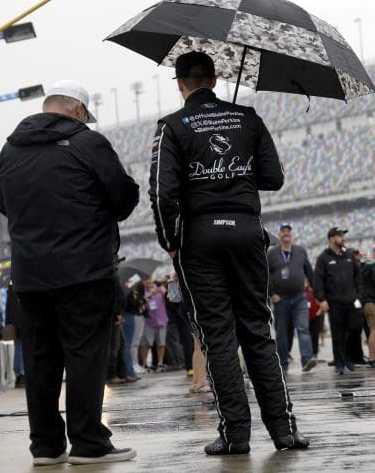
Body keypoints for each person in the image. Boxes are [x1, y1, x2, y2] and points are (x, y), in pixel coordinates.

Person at [149, 51, 306, 455]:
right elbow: (273, 177)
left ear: (180, 83)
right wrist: (239, 168)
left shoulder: (172, 126)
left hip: (200, 238)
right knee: (257, 331)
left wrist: (170, 242)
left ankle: (235, 435)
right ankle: (285, 432)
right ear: (215, 79)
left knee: (218, 336)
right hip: (246, 231)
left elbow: (163, 193)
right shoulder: (248, 118)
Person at [0, 80, 139, 465]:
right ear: (78, 110)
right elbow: (123, 198)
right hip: (84, 271)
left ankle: (45, 446)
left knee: (40, 360)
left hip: (30, 275)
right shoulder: (88, 142)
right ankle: (89, 443)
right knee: (85, 356)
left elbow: (3, 203)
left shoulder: (10, 149)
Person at [267, 223, 317, 373]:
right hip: (280, 299)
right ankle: (283, 364)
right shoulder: (272, 253)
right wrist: (271, 294)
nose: (286, 233)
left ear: (291, 233)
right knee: (282, 333)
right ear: (279, 234)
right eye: (283, 231)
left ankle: (307, 359)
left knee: (303, 328)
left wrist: (317, 293)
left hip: (299, 297)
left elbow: (309, 272)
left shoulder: (300, 251)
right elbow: (265, 274)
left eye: (288, 231)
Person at [313, 227, 361, 375]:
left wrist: (358, 295)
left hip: (351, 300)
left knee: (355, 328)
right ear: (331, 238)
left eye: (343, 235)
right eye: (340, 236)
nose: (343, 238)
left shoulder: (349, 255)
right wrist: (322, 299)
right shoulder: (323, 258)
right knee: (338, 333)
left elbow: (358, 276)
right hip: (334, 302)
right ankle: (339, 362)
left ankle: (347, 356)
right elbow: (318, 280)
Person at [140, 277, 169, 372]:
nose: (148, 282)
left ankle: (160, 363)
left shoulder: (160, 288)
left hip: (162, 320)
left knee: (161, 343)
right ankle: (145, 364)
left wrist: (163, 291)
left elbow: (169, 298)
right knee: (146, 344)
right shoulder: (142, 291)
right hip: (148, 321)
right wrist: (151, 294)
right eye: (146, 281)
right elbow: (142, 301)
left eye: (149, 280)